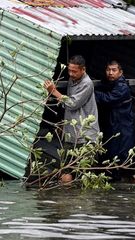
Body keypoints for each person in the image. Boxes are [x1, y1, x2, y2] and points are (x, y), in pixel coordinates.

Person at [43, 55, 100, 183]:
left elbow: (73, 103)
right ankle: (67, 201)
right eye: (69, 70)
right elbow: (69, 107)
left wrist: (54, 91)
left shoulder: (87, 83)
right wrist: (65, 123)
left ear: (83, 70)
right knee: (65, 171)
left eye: (74, 71)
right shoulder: (72, 80)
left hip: (86, 137)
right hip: (71, 134)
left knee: (86, 176)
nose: (71, 74)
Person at [95, 60, 135, 182]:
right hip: (115, 128)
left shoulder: (122, 87)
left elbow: (108, 99)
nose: (110, 73)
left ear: (120, 72)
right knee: (113, 160)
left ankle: (132, 183)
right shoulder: (110, 84)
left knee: (125, 162)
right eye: (108, 70)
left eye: (114, 70)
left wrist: (91, 92)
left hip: (123, 130)